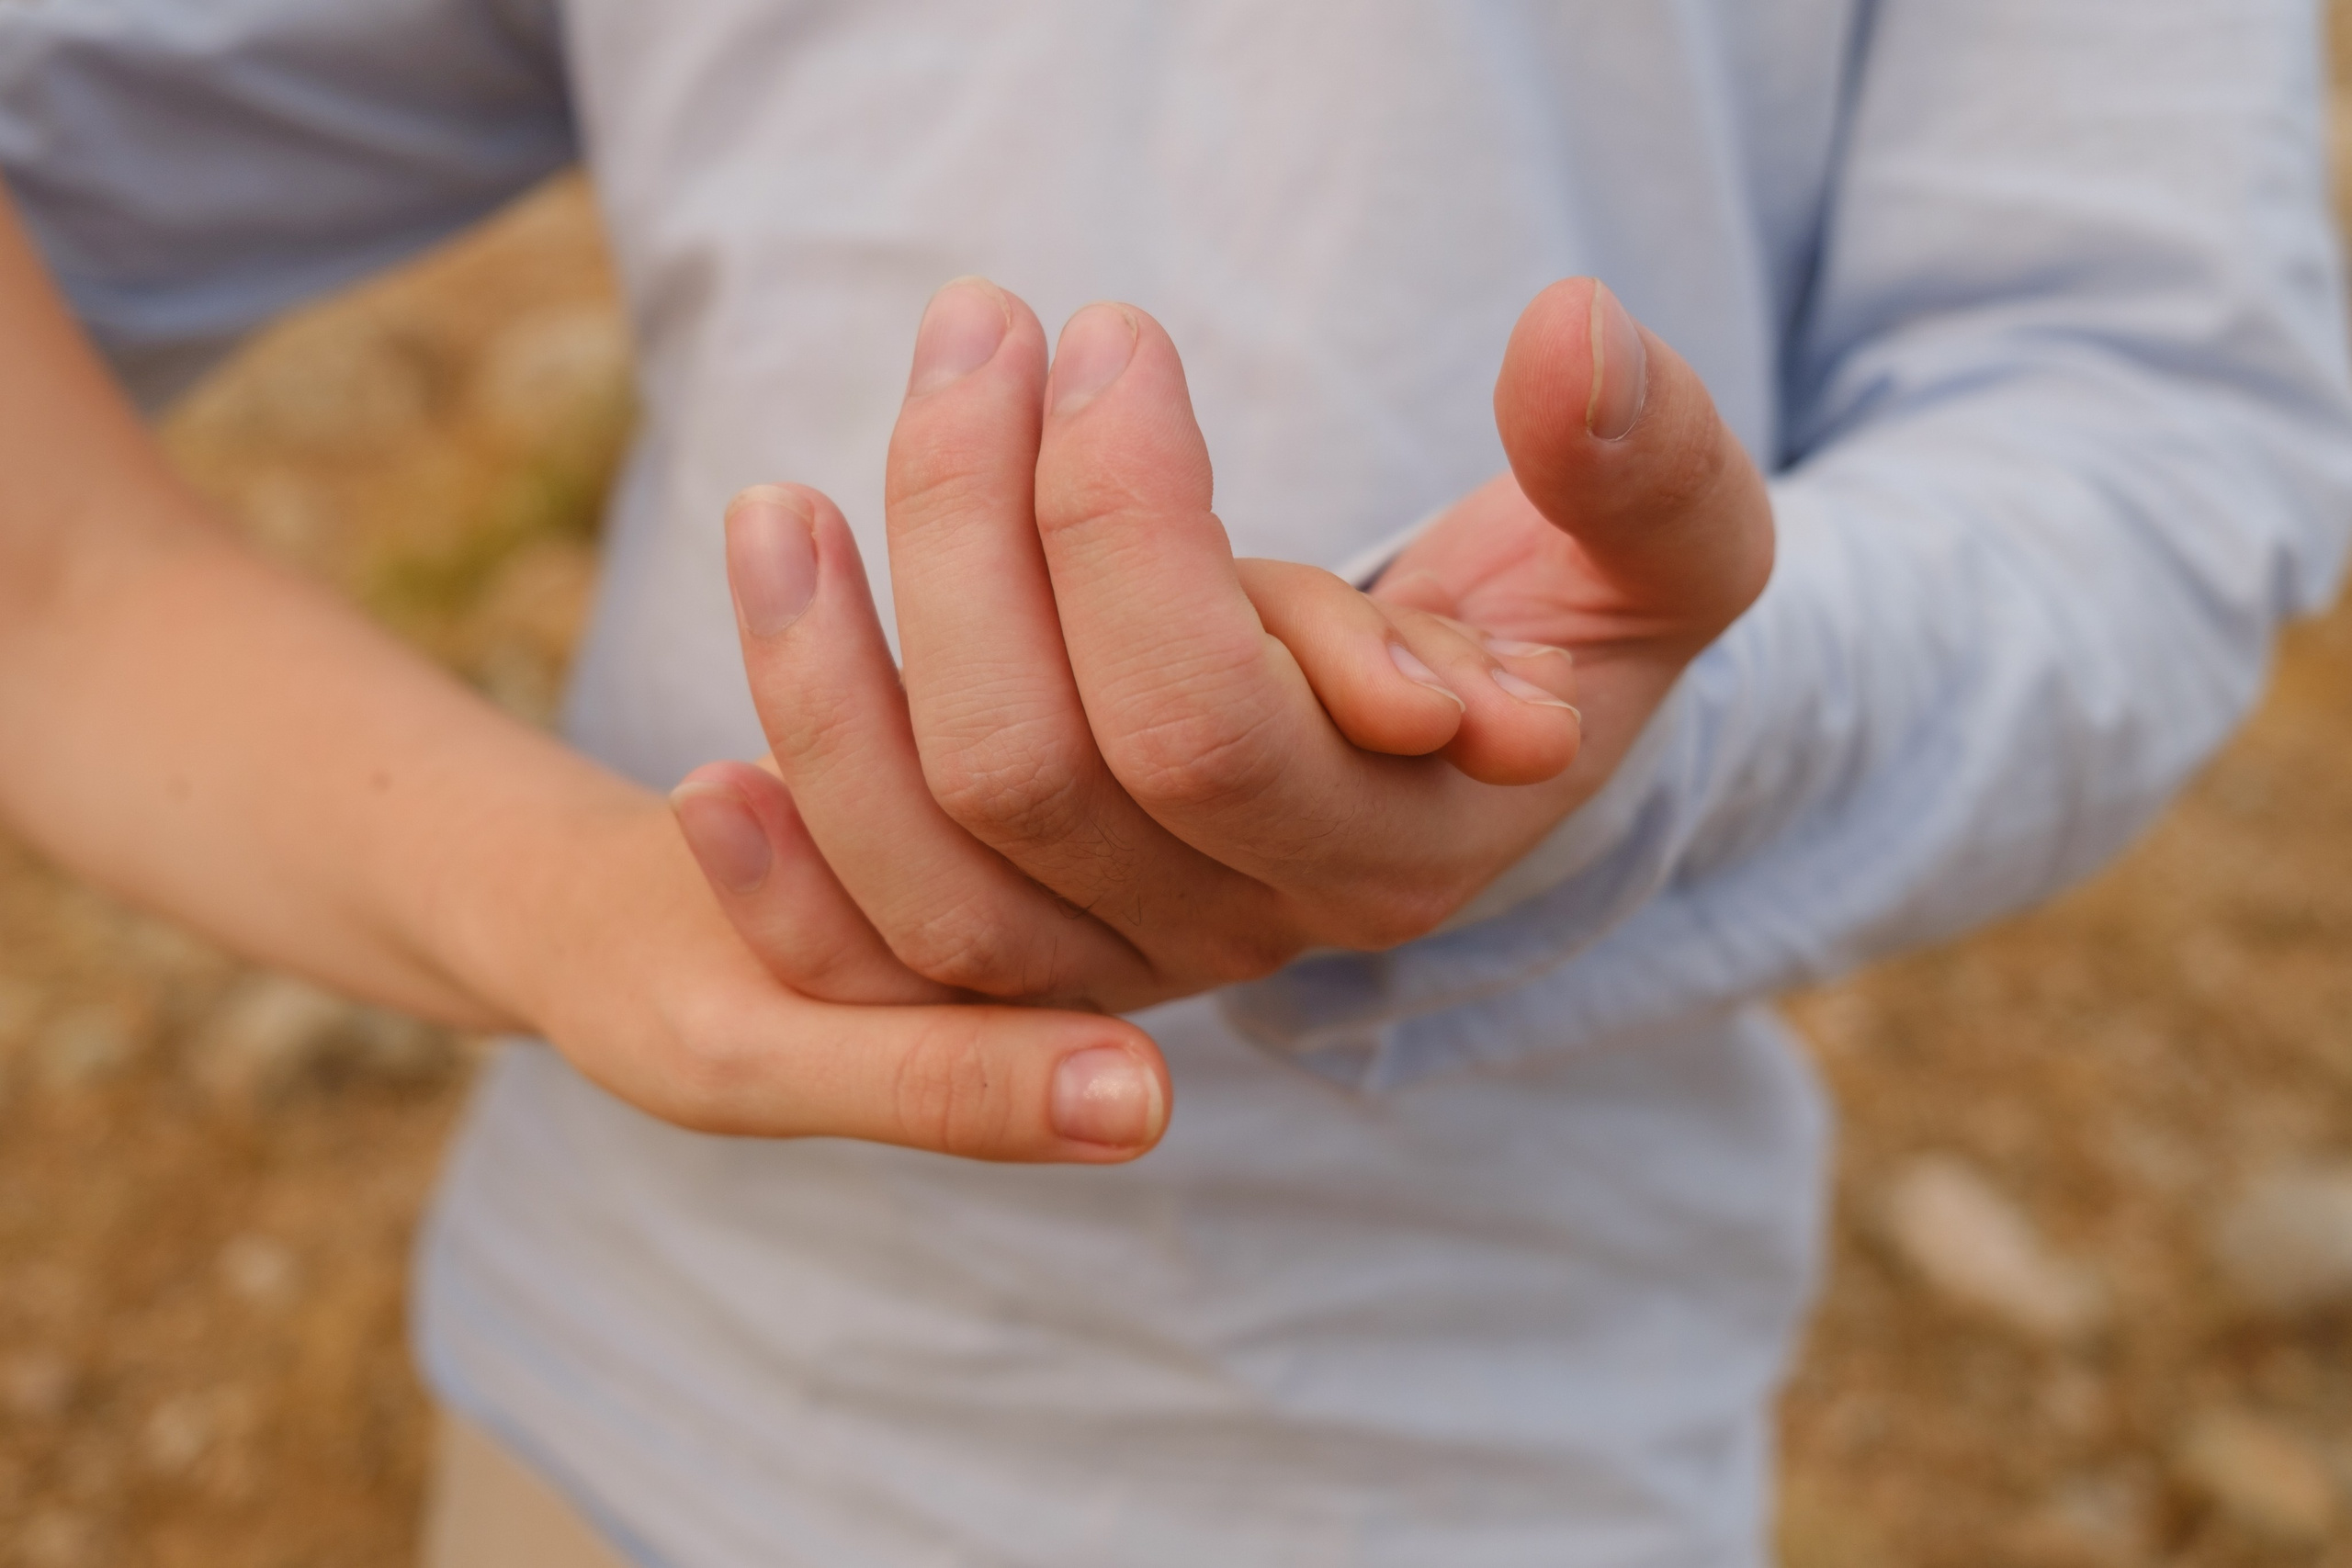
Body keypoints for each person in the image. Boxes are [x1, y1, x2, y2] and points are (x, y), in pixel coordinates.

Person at [2, 2, 2346, 1564]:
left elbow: (2145, 409)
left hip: (1480, 1456)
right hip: (614, 1399)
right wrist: (565, 894)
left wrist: (1649, 725)